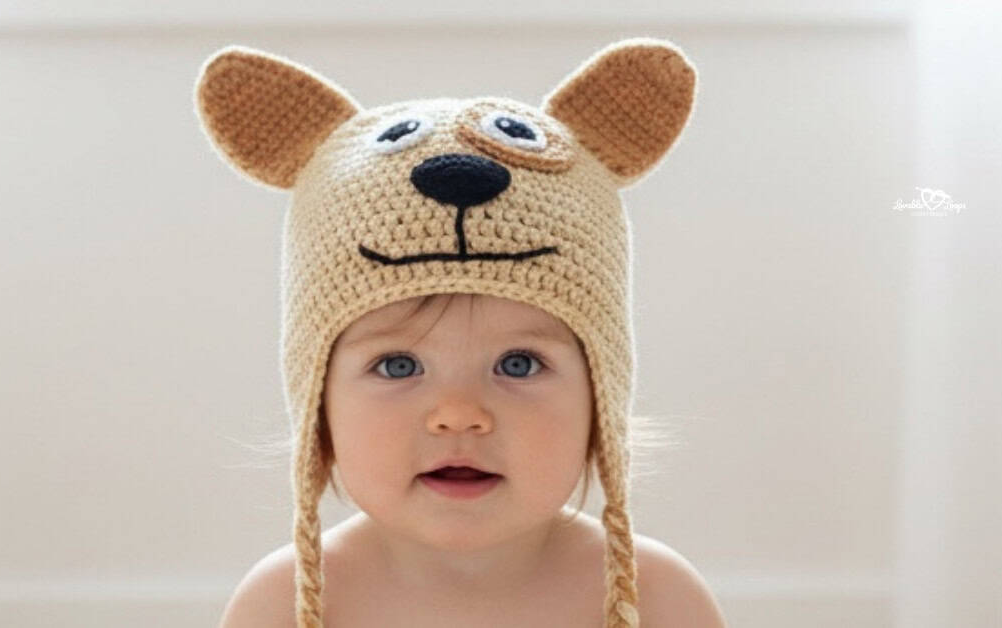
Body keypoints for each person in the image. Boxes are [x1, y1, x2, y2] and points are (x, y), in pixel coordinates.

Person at [193, 36, 727, 627]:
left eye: (519, 363)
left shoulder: (656, 599)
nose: (458, 413)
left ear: (601, 397)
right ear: (317, 406)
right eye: (398, 365)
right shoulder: (284, 605)